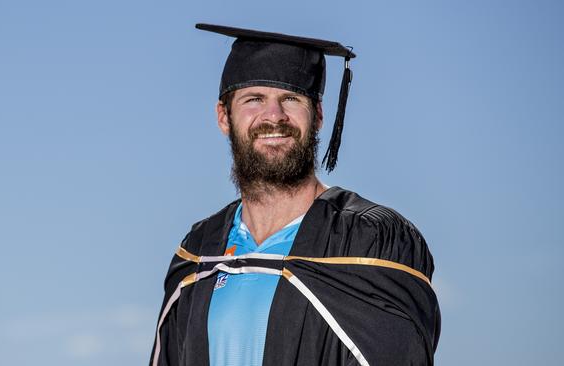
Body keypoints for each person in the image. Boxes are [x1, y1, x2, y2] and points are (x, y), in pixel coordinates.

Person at [150, 23, 440, 366]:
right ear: (223, 117)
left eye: (290, 98)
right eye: (254, 99)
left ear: (317, 116)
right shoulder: (199, 251)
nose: (274, 116)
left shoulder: (369, 241)